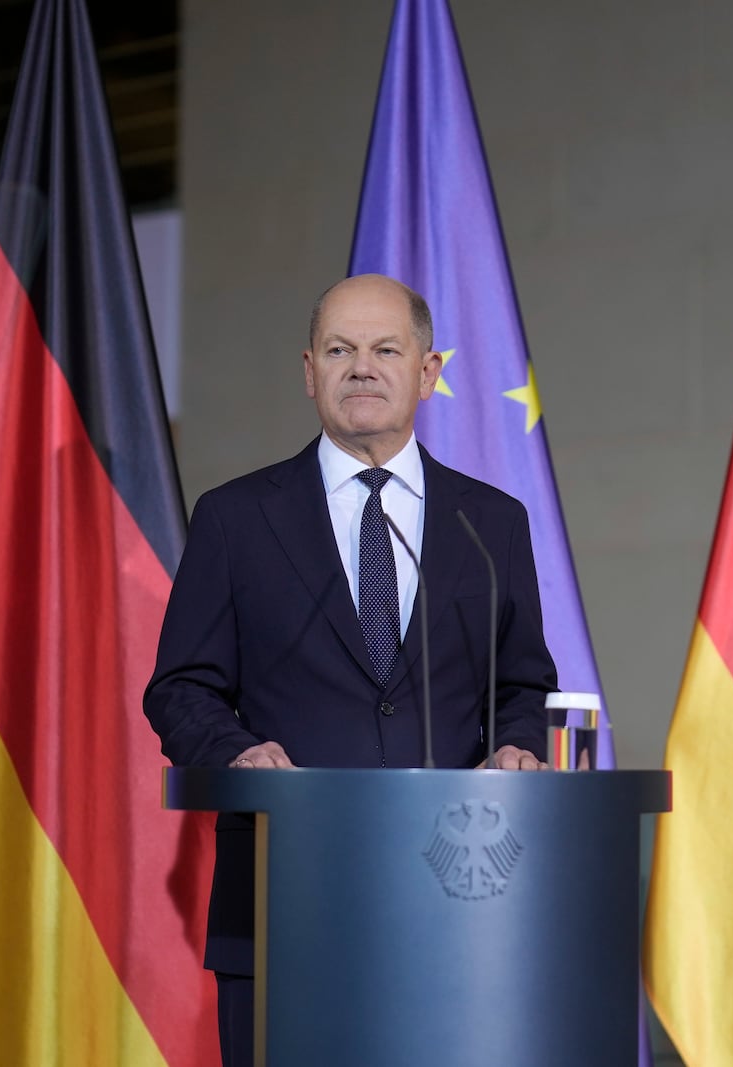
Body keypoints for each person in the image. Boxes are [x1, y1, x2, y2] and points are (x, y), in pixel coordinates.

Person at [143, 273, 559, 1066]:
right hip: (281, 902)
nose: (361, 367)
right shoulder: (235, 517)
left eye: (385, 349)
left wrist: (515, 744)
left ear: (429, 371)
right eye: (339, 349)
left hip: (453, 903)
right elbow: (181, 686)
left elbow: (520, 682)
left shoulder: (492, 523)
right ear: (309, 371)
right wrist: (234, 751)